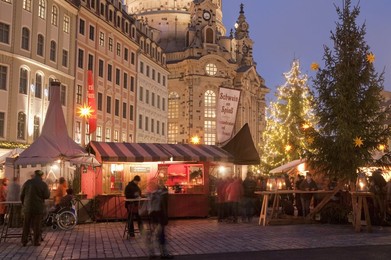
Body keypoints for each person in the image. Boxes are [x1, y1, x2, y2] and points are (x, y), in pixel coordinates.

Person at [20, 170, 50, 246]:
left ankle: (24, 241)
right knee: (37, 225)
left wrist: (24, 203)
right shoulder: (43, 184)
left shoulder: (27, 183)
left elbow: (22, 194)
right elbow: (47, 196)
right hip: (38, 207)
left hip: (28, 207)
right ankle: (36, 242)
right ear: (42, 176)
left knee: (26, 224)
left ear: (34, 175)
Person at [147, 178, 173, 259]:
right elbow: (163, 207)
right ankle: (163, 253)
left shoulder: (152, 193)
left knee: (153, 234)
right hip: (159, 216)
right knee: (161, 235)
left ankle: (152, 253)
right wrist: (165, 218)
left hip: (152, 216)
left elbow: (149, 206)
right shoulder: (161, 194)